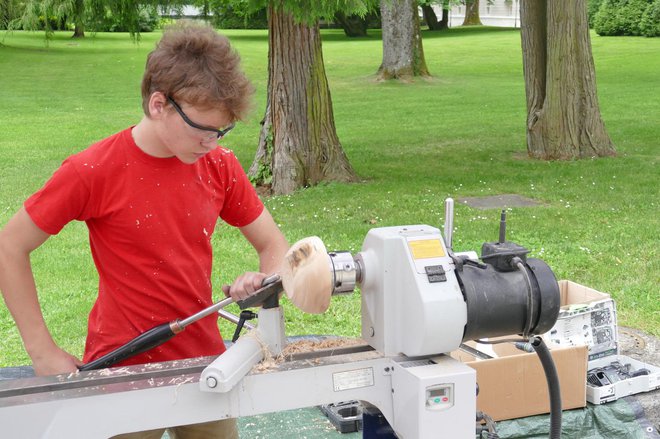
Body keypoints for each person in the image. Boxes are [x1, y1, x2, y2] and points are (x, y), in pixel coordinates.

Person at [0, 21, 289, 438]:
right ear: (159, 104)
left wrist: (264, 280)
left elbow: (272, 243)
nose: (213, 143)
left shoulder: (218, 165)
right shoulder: (92, 170)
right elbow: (9, 246)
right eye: (204, 130)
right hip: (123, 367)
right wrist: (41, 351)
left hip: (205, 366)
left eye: (222, 132)